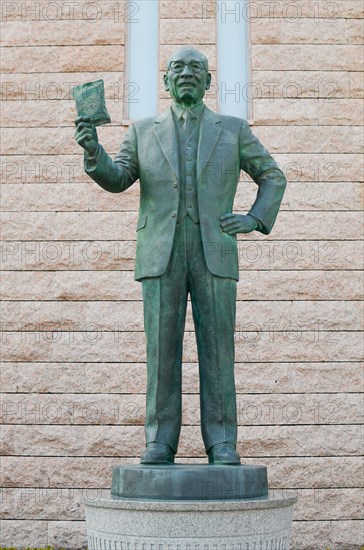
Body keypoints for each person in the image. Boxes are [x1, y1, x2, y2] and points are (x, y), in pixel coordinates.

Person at [75, 46, 286, 465]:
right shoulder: (141, 131)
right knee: (161, 351)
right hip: (160, 254)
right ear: (166, 80)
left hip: (215, 251)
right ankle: (160, 442)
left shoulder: (233, 129)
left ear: (208, 82)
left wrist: (255, 219)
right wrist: (93, 153)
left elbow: (273, 176)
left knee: (217, 351)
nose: (186, 73)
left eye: (196, 68)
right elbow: (118, 179)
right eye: (177, 67)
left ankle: (222, 443)